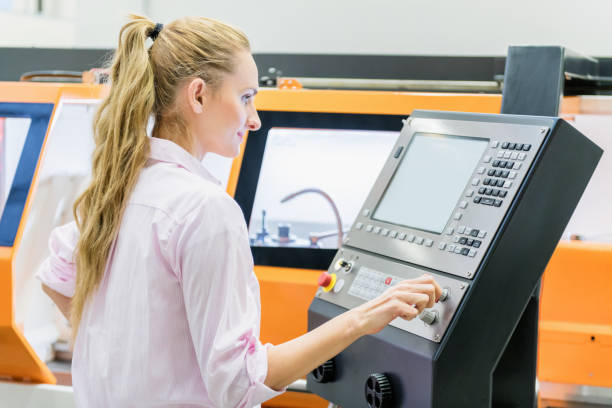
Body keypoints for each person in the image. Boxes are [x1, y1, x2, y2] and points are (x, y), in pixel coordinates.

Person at [38, 14, 442, 408]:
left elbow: (55, 279)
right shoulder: (205, 210)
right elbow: (238, 385)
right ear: (198, 95)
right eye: (246, 97)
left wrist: (121, 350)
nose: (254, 119)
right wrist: (364, 318)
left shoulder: (117, 189)